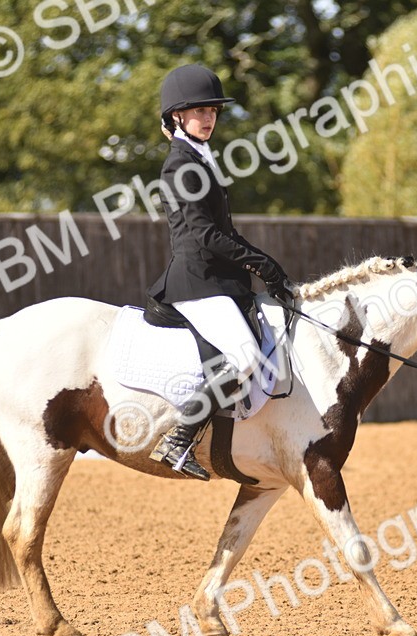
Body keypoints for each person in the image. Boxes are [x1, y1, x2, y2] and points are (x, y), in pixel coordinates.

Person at [146, 64, 293, 480]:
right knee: (244, 357)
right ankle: (178, 440)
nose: (208, 118)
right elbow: (207, 236)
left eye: (212, 111)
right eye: (199, 111)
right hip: (197, 282)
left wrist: (262, 264)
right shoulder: (179, 164)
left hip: (217, 280)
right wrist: (261, 263)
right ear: (177, 115)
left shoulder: (198, 156)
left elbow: (223, 231)